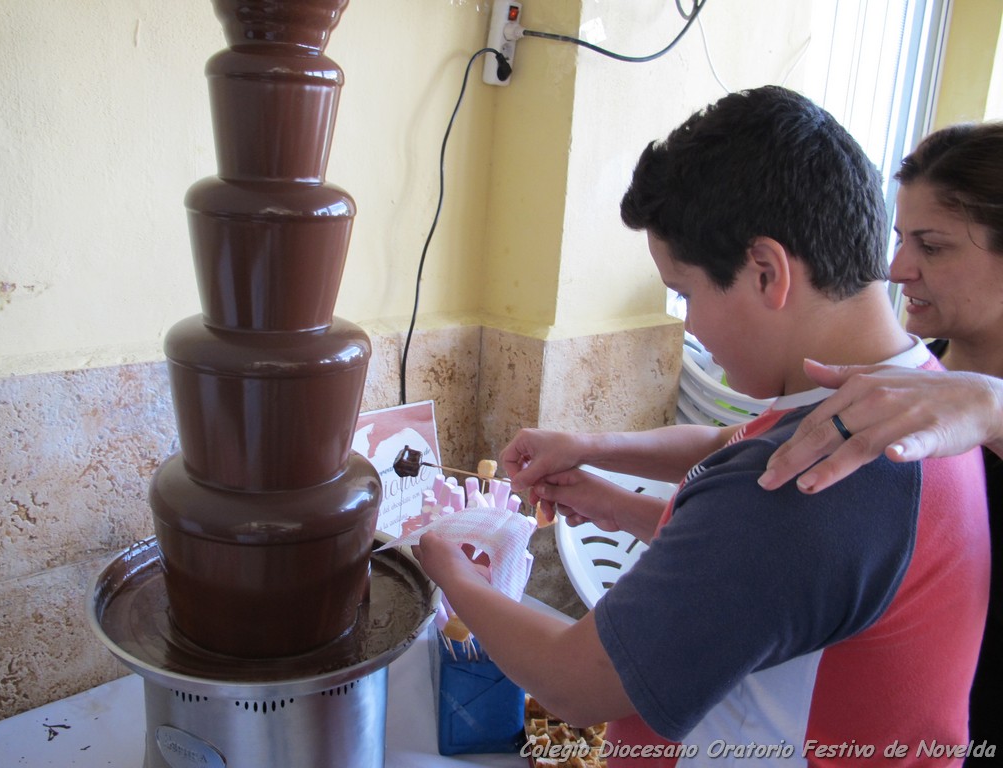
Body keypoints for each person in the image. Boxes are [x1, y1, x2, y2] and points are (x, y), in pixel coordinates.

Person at [413, 86, 990, 765]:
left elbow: (574, 682)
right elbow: (733, 457)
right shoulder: (909, 394)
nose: (689, 324)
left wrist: (449, 569)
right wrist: (599, 471)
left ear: (767, 272)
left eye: (686, 293)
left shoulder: (807, 479)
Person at [761, 121, 1003, 761]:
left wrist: (992, 408)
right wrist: (604, 460)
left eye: (933, 246)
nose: (897, 270)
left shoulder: (972, 402)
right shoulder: (915, 373)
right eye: (899, 239)